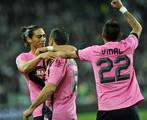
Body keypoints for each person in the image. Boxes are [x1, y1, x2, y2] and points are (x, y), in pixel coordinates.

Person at [43, 0, 144, 120]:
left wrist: (47, 49)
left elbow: (66, 54)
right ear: (120, 35)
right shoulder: (128, 45)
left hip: (107, 110)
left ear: (102, 36)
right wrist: (122, 8)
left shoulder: (94, 51)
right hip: (129, 109)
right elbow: (137, 27)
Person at [23, 28, 78, 120]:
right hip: (70, 112)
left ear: (51, 41)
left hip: (57, 114)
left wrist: (31, 108)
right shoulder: (71, 60)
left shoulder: (58, 60)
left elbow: (50, 88)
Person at [16, 25, 56, 120]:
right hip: (40, 110)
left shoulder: (51, 54)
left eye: (44, 36)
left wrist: (49, 50)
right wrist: (39, 57)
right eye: (39, 36)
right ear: (29, 39)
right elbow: (23, 68)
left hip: (58, 107)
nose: (43, 39)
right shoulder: (23, 57)